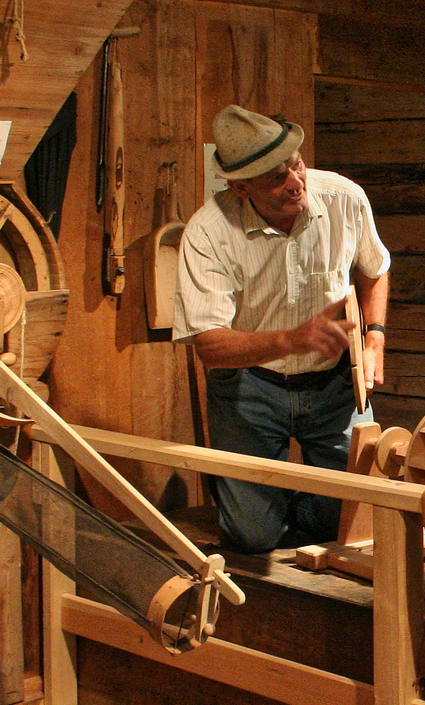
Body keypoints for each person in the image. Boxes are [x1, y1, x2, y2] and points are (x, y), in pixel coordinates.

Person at [173, 105, 390, 553]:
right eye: (276, 177)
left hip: (335, 382)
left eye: (296, 164)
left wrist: (374, 340)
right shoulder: (209, 232)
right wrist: (290, 339)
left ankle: (307, 505)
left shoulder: (344, 198)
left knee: (351, 519)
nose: (295, 182)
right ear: (239, 186)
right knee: (252, 536)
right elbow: (209, 346)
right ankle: (265, 508)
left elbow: (376, 268)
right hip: (250, 389)